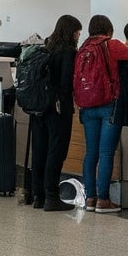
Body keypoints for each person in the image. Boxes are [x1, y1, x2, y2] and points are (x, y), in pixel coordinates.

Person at [74, 15, 128, 213]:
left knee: (91, 153)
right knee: (105, 153)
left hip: (86, 106)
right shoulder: (110, 44)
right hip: (108, 105)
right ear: (110, 31)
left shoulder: (83, 48)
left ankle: (90, 199)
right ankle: (103, 200)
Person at [25, 16, 80, 212]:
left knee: (39, 151)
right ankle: (52, 196)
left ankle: (38, 195)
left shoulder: (46, 47)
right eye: (77, 32)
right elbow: (66, 83)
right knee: (56, 152)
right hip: (58, 108)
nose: (78, 36)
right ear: (71, 32)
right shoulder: (67, 52)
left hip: (39, 108)